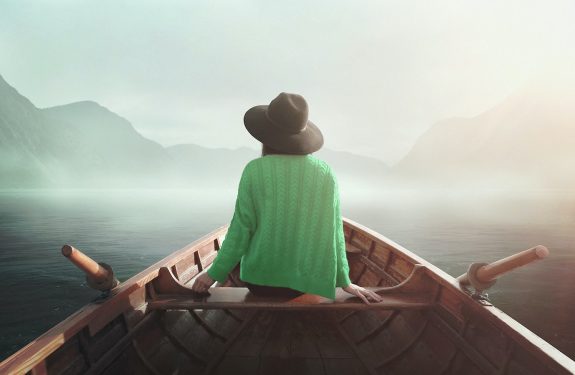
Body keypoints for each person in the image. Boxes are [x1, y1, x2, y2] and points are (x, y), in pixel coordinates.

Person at [191, 92, 382, 304]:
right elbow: (334, 232)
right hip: (307, 283)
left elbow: (241, 230)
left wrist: (213, 274)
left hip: (260, 284)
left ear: (266, 134)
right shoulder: (326, 173)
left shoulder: (254, 170)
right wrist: (345, 281)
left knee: (245, 251)